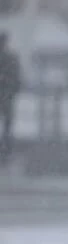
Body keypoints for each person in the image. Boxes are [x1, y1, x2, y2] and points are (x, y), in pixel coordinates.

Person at [0, 32, 21, 161]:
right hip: (7, 95)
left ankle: (6, 149)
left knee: (8, 124)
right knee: (8, 124)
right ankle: (6, 149)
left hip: (6, 95)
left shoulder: (11, 59)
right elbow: (16, 78)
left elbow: (16, 78)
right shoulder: (11, 59)